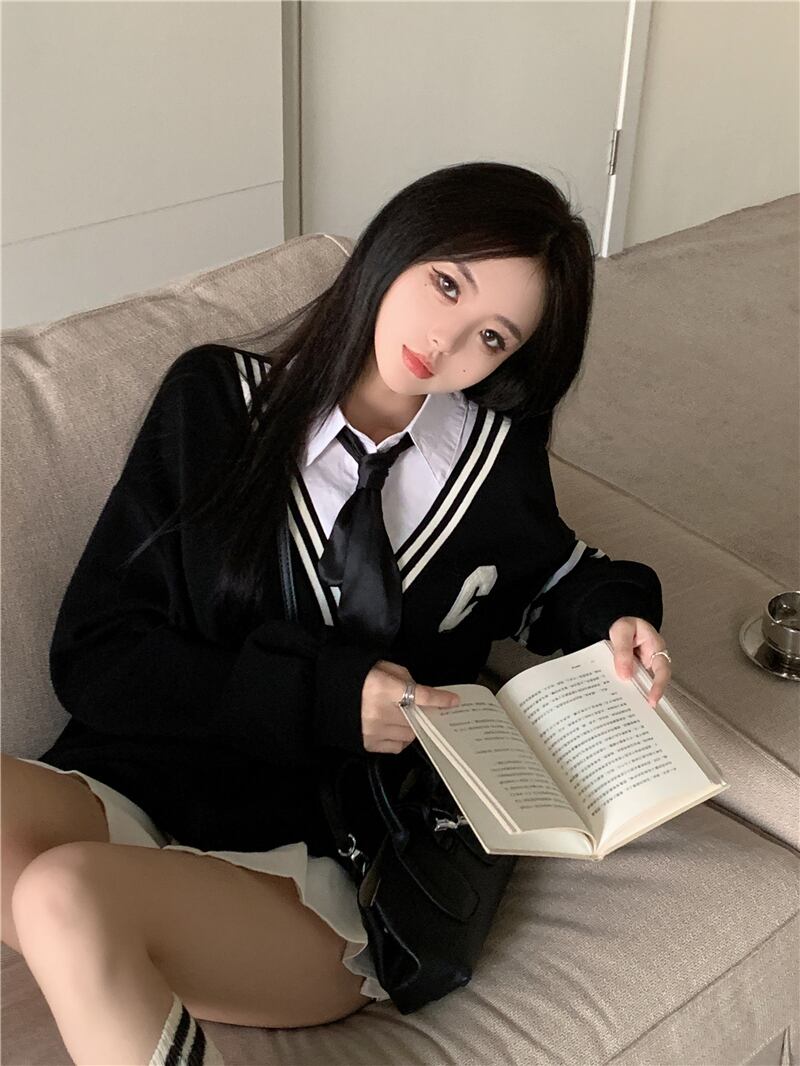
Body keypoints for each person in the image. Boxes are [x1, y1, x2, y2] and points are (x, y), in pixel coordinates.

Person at [2, 161, 671, 1065]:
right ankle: (116, 958)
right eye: (446, 284)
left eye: (492, 336)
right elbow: (95, 654)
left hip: (321, 860)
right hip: (135, 787)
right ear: (397, 244)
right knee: (63, 884)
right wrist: (322, 699)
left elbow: (562, 577)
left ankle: (111, 950)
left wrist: (618, 617)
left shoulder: (493, 463)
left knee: (62, 896)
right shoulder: (214, 403)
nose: (445, 341)